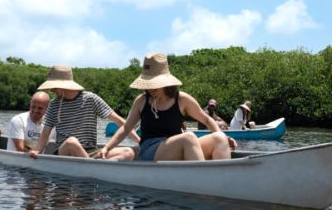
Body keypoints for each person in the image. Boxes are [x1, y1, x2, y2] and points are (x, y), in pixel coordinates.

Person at [100, 52, 235, 162]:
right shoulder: (141, 101)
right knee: (188, 137)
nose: (151, 88)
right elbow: (126, 128)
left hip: (179, 146)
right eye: (149, 84)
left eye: (154, 84)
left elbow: (207, 120)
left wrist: (222, 135)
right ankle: (201, 182)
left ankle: (223, 179)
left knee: (219, 138)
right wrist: (107, 147)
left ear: (165, 83)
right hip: (150, 150)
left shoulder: (182, 99)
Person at [28, 65, 139, 160]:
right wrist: (37, 151)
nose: (52, 90)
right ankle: (94, 170)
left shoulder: (91, 99)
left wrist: (139, 141)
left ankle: (98, 170)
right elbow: (45, 133)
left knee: (128, 152)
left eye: (54, 87)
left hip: (90, 152)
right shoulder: (54, 104)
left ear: (63, 85)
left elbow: (120, 121)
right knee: (72, 142)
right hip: (64, 151)